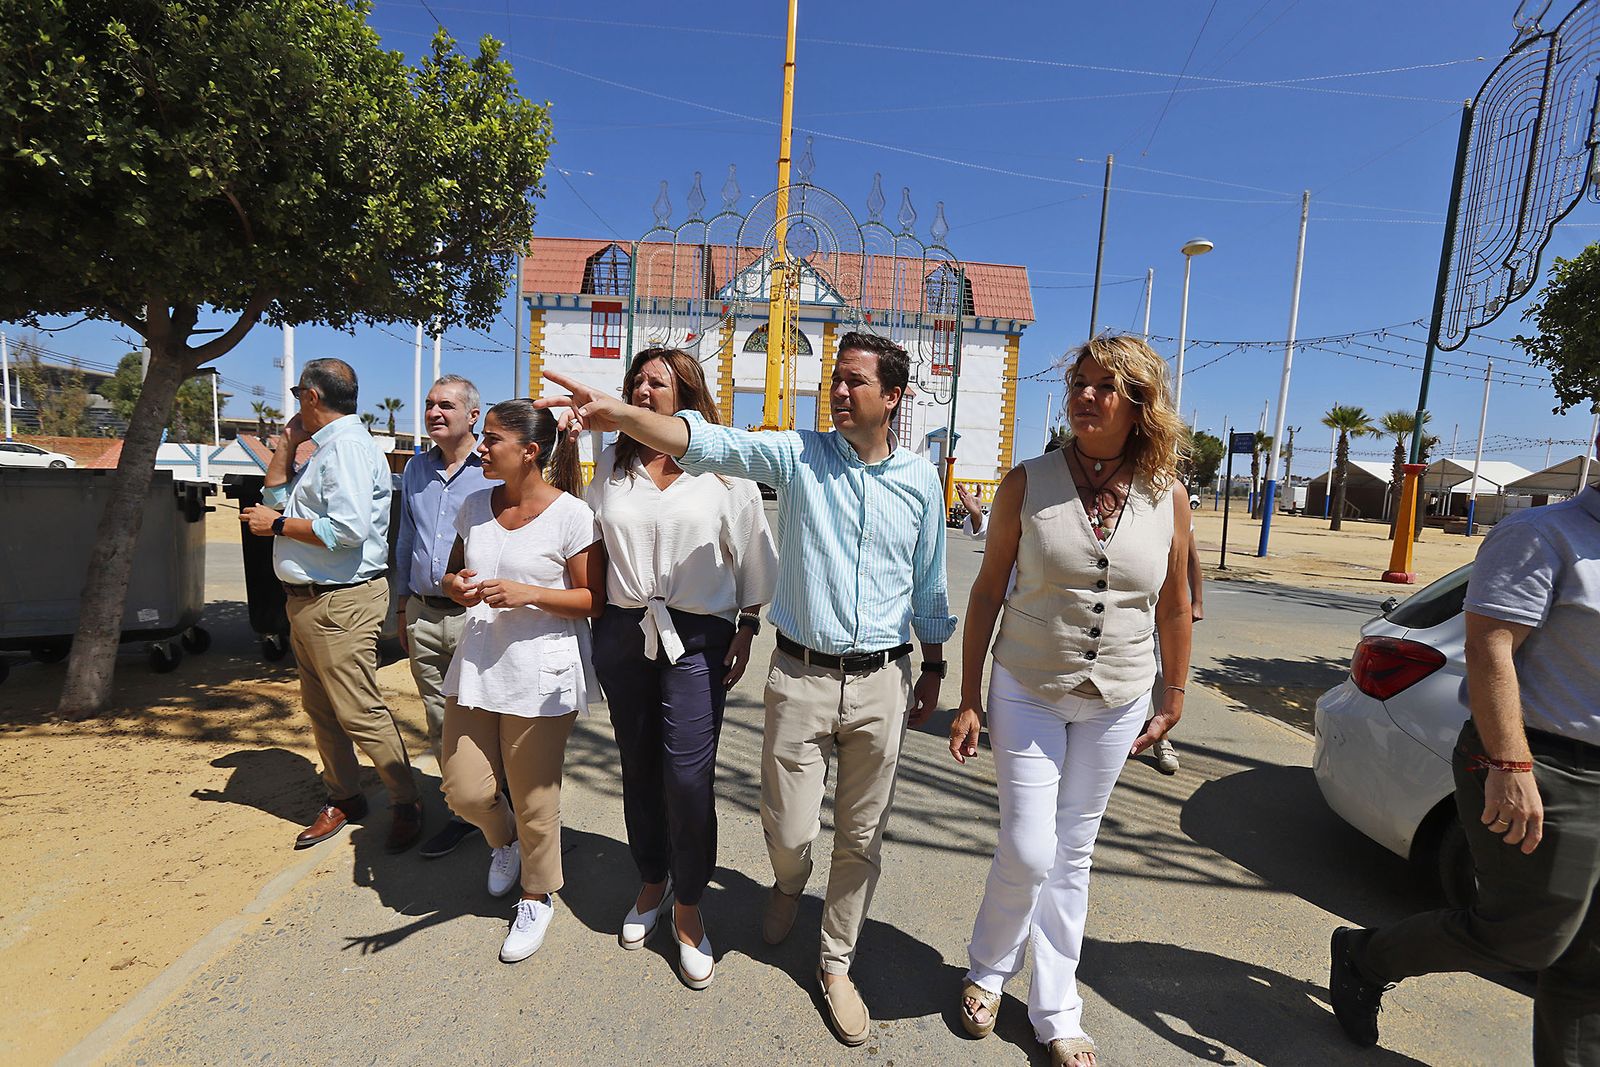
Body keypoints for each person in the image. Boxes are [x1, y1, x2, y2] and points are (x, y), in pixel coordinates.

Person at [538, 330, 955, 1046]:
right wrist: (623, 416)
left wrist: (938, 665)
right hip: (799, 675)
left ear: (893, 396)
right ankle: (786, 882)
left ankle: (835, 962)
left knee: (860, 836)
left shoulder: (920, 480)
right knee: (790, 833)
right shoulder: (797, 455)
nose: (840, 389)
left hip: (883, 678)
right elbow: (708, 442)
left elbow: (929, 581)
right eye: (836, 378)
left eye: (856, 380)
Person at [948, 335, 1194, 1067]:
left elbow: (1174, 604)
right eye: (1078, 384)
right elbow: (989, 588)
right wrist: (968, 697)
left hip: (1118, 694)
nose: (1085, 396)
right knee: (1029, 845)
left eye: (1103, 386)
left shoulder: (1168, 495)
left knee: (1073, 851)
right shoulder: (1027, 482)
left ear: (1139, 404)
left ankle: (1056, 1007)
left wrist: (1173, 692)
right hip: (1027, 683)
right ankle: (988, 966)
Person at [1329, 429, 1600, 1066]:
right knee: (1527, 938)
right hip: (1545, 762)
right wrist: (1510, 765)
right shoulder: (1544, 535)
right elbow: (1489, 648)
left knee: (1594, 956)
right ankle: (1365, 957)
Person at [586, 348, 778, 990]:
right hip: (624, 628)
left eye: (656, 381)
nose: (642, 388)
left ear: (686, 394)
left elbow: (754, 556)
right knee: (637, 765)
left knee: (689, 777)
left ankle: (691, 907)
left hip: (696, 635)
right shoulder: (610, 470)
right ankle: (651, 880)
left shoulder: (724, 469)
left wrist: (746, 627)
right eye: (635, 381)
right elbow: (587, 543)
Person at [438, 399, 603, 963]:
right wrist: (455, 585)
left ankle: (538, 894)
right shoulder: (474, 505)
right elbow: (456, 570)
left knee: (535, 797)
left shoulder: (571, 516)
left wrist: (529, 592)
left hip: (541, 672)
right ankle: (502, 841)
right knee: (466, 789)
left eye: (492, 440)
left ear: (530, 452)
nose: (480, 448)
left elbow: (590, 600)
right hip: (479, 664)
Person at [240, 358, 423, 852]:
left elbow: (346, 533)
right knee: (322, 711)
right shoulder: (322, 448)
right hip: (308, 601)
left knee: (359, 711)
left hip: (340, 602)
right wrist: (287, 444)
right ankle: (345, 797)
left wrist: (274, 526)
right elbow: (275, 494)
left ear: (311, 397)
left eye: (300, 393)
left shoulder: (346, 451)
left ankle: (407, 803)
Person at [393, 375, 493, 859]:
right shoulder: (415, 469)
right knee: (438, 718)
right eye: (430, 404)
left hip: (478, 616)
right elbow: (405, 540)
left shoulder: (493, 467)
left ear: (473, 414)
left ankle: (500, 806)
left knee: (490, 716)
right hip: (422, 614)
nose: (435, 412)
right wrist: (399, 606)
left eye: (446, 405)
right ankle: (462, 810)